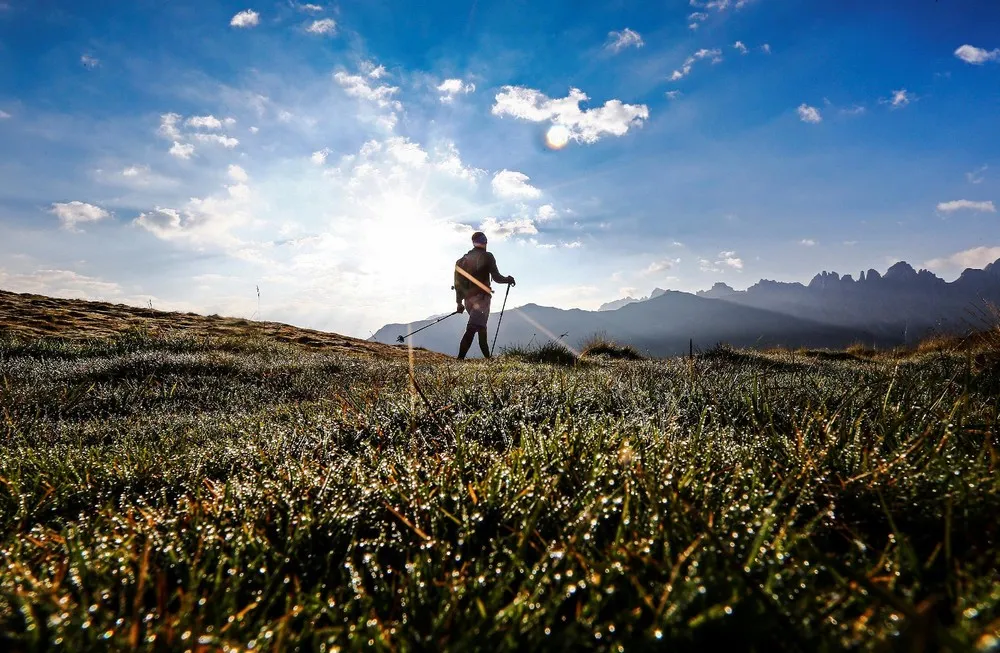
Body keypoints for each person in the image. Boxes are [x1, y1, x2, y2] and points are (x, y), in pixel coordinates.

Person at [454, 231, 515, 359]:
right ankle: (459, 360)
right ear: (484, 242)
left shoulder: (461, 261)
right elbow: (497, 278)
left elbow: (458, 284)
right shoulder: (487, 256)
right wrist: (508, 279)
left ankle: (488, 359)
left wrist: (459, 303)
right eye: (484, 240)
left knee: (481, 328)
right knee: (472, 328)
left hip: (468, 301)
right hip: (482, 299)